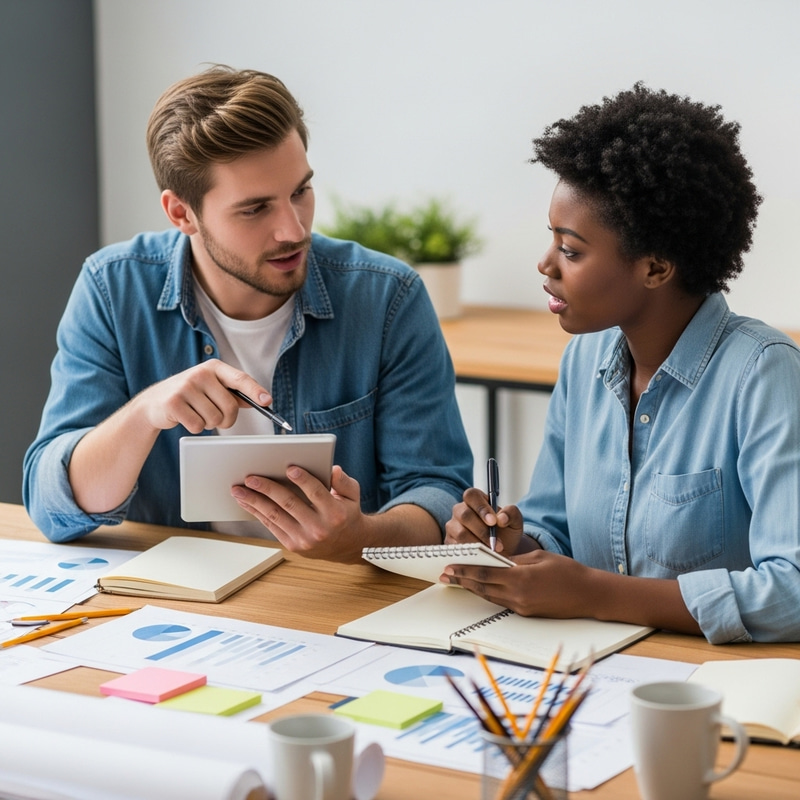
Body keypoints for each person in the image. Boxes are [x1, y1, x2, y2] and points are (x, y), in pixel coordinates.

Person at [23, 65, 473, 562]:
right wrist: (147, 414)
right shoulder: (113, 288)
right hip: (177, 606)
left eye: (300, 191)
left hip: (334, 606)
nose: (293, 229)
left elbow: (439, 493)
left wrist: (358, 535)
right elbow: (52, 506)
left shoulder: (386, 297)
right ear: (182, 213)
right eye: (255, 209)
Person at [443, 83, 800, 644]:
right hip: (589, 669)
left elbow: (793, 591)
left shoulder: (764, 375)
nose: (545, 264)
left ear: (655, 268)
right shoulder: (583, 361)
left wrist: (595, 593)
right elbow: (552, 529)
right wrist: (514, 544)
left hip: (704, 684)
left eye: (572, 249)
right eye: (552, 240)